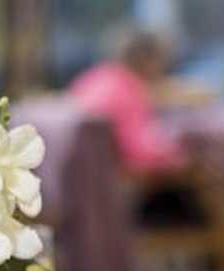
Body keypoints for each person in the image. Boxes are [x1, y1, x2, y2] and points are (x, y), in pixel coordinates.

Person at [69, 29, 187, 177]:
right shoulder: (129, 89)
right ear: (147, 60)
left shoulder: (96, 78)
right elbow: (140, 150)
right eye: (161, 60)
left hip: (85, 171)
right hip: (121, 173)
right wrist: (178, 153)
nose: (164, 68)